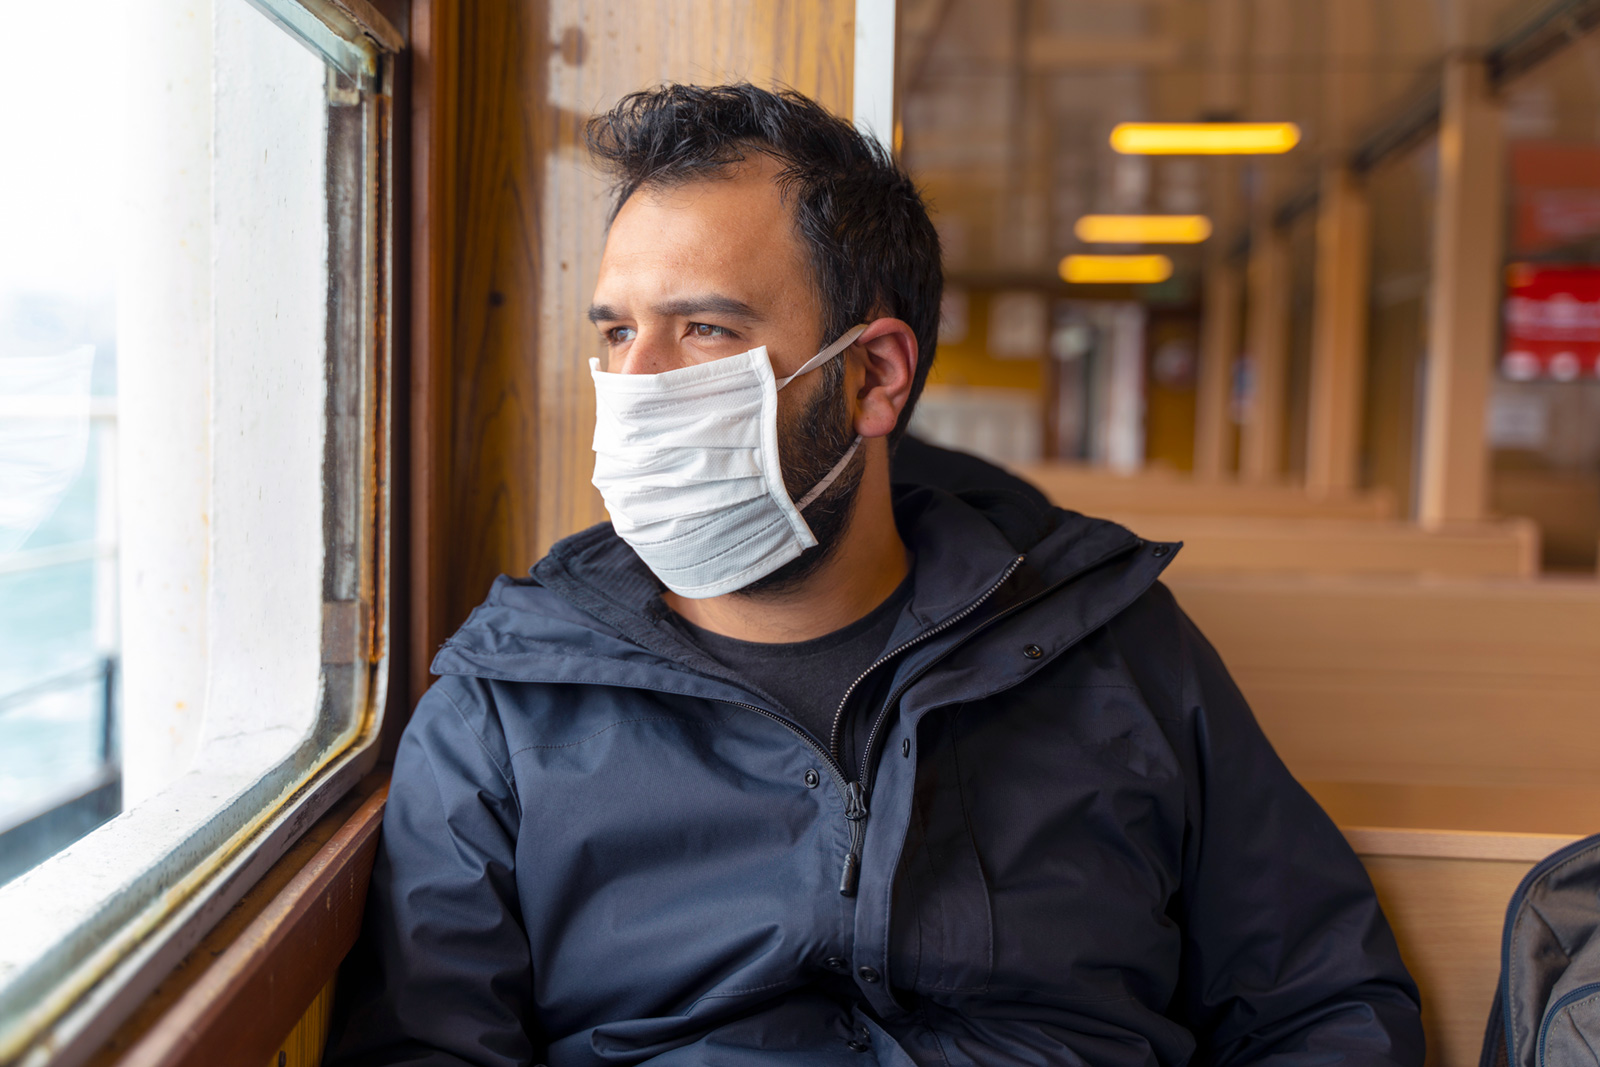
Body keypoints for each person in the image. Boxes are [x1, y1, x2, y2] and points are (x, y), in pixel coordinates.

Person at [328, 83, 1423, 1067]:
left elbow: (1318, 1000)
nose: (635, 383)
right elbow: (425, 1047)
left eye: (704, 327)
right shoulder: (506, 701)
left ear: (874, 375)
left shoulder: (1115, 648)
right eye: (616, 331)